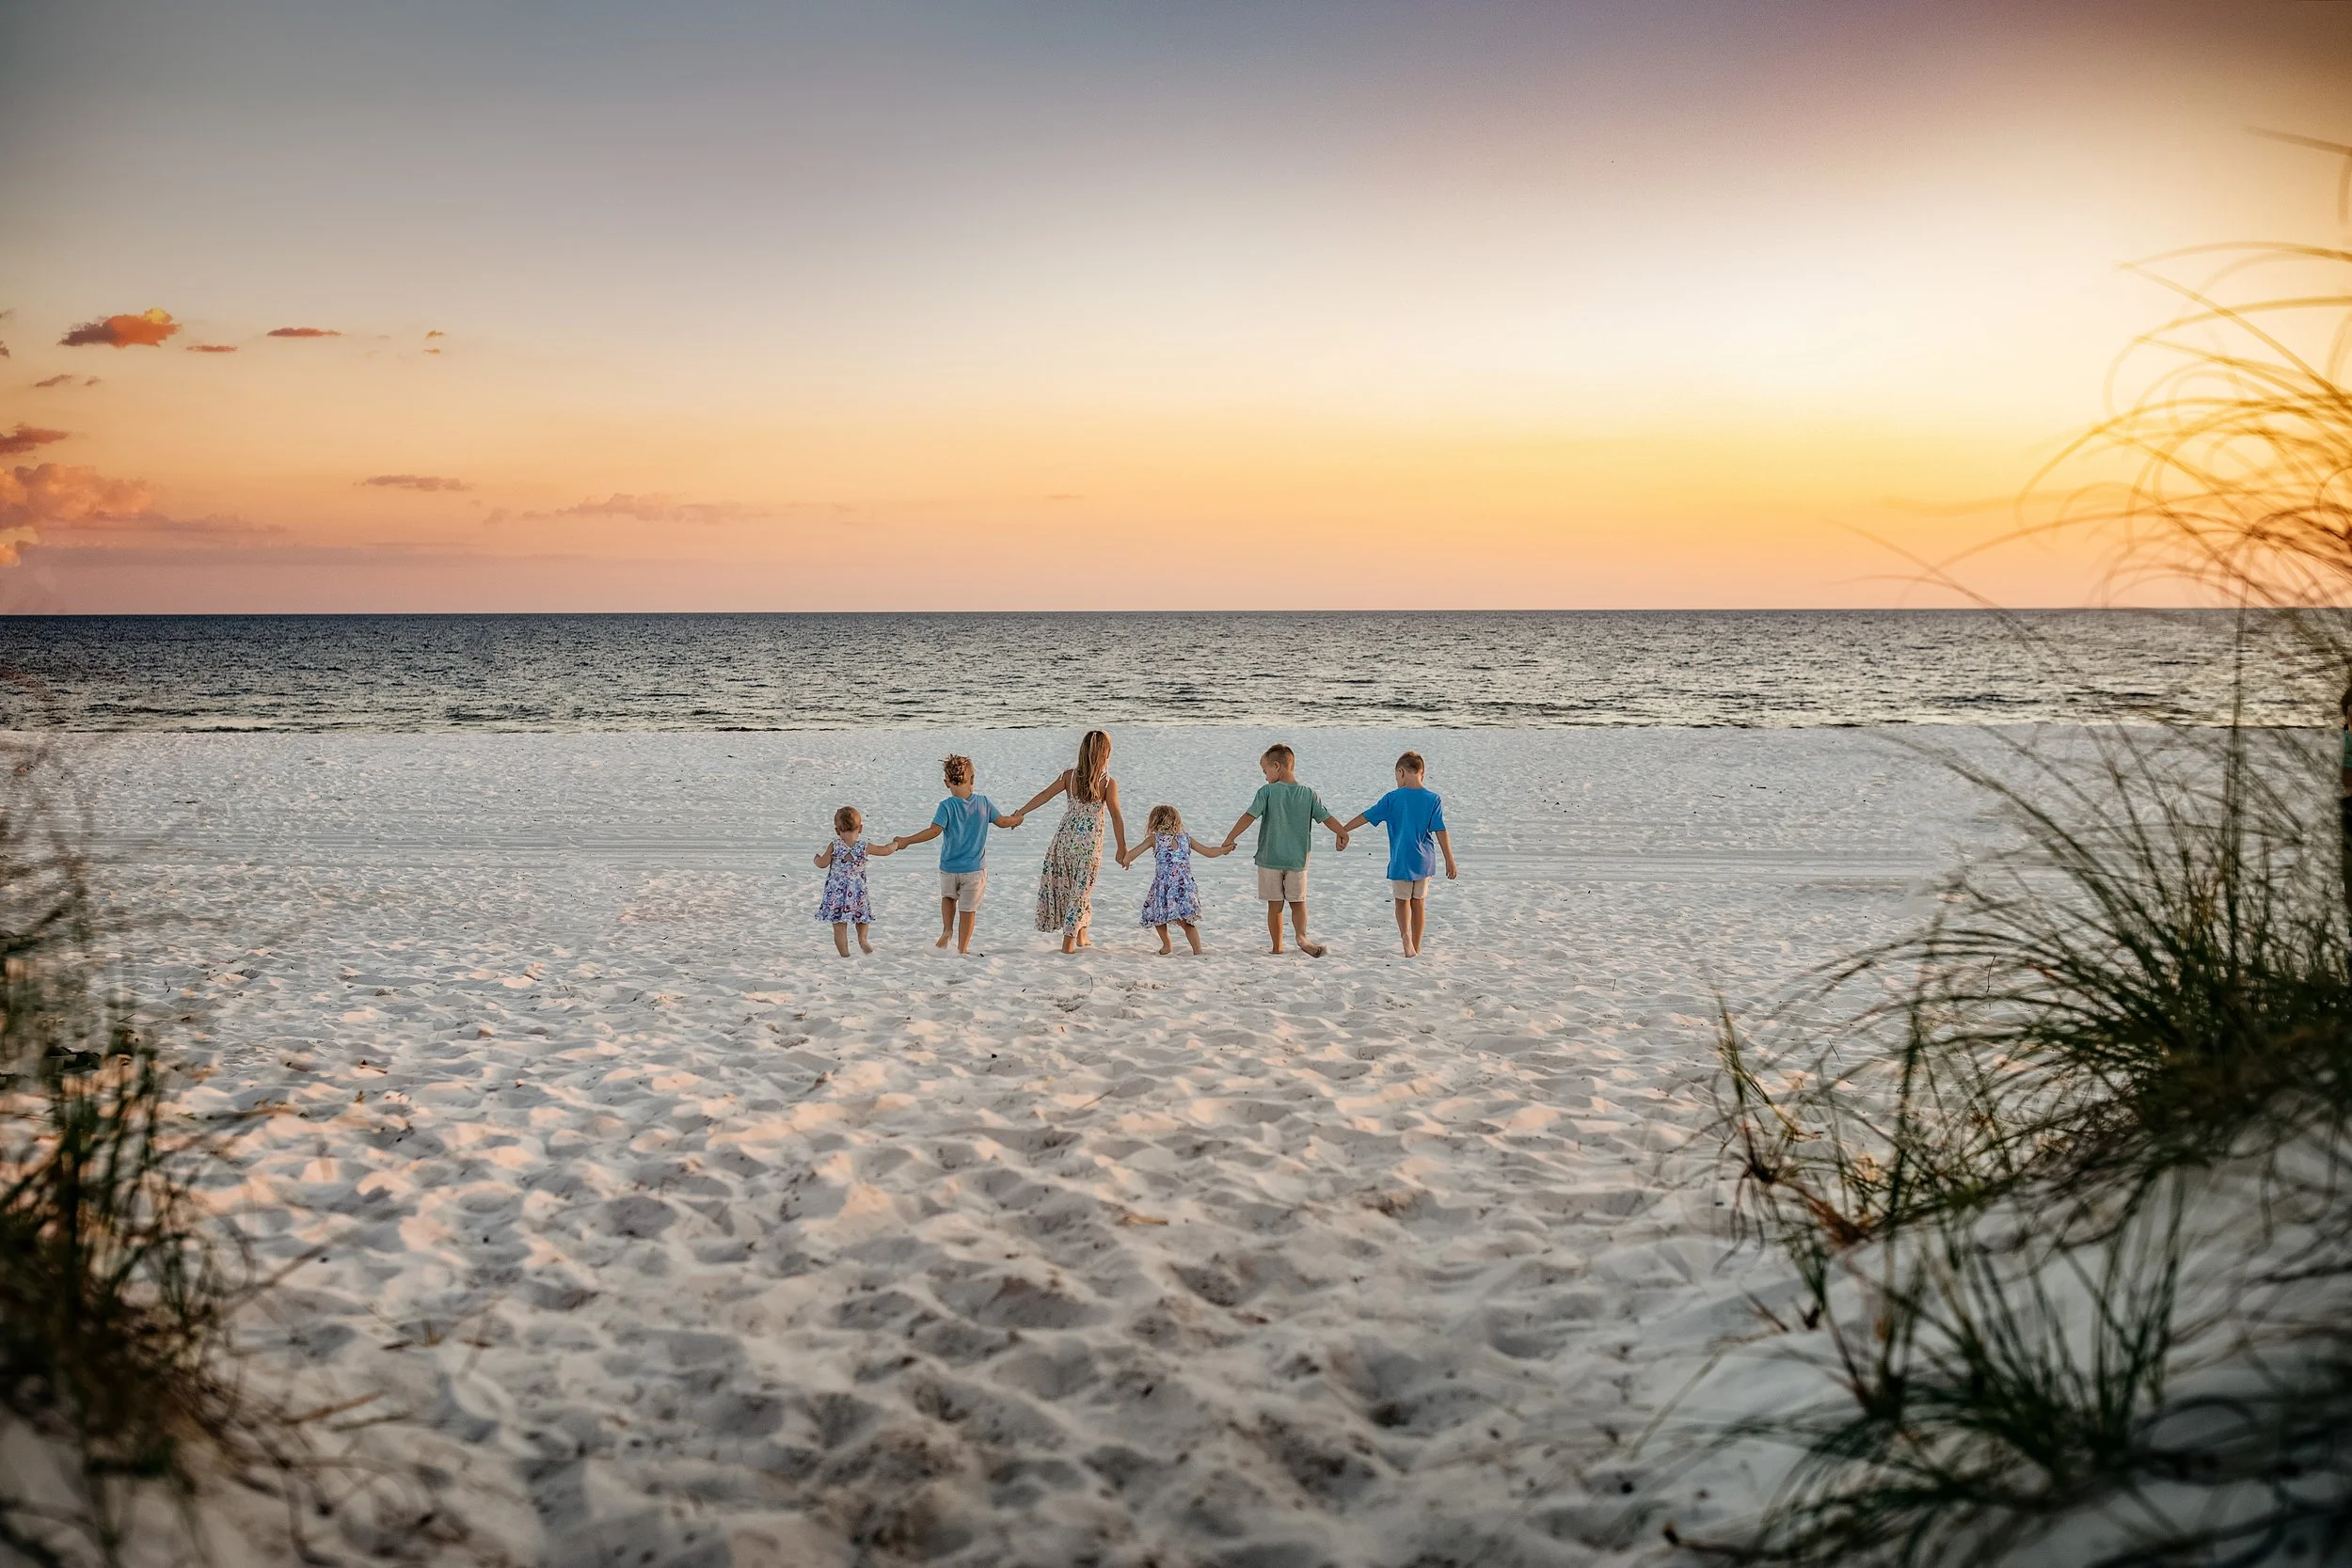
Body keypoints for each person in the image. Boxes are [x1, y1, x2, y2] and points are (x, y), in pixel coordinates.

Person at [885, 754, 1025, 954]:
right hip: (974, 870)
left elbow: (933, 831)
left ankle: (947, 930)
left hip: (949, 867)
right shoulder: (984, 803)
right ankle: (963, 948)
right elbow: (1002, 821)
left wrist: (907, 840)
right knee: (968, 910)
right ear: (973, 779)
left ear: (946, 783)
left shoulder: (946, 806)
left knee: (948, 898)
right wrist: (1017, 819)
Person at [1221, 742, 1345, 957]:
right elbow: (1326, 818)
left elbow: (1249, 816)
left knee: (1275, 905)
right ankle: (1301, 937)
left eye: (1265, 771)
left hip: (1270, 858)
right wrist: (1343, 833)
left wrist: (1230, 838)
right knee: (1298, 902)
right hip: (1297, 860)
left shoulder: (1267, 792)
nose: (1265, 776)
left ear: (1277, 766)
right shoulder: (1309, 794)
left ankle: (1277, 947)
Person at [1013, 729, 1130, 954]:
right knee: (1081, 891)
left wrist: (1022, 812)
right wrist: (1122, 847)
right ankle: (1068, 943)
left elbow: (1044, 795)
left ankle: (1082, 935)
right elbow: (1116, 816)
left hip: (1064, 841)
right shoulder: (1107, 783)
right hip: (1088, 846)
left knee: (1073, 889)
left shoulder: (1069, 776)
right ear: (1106, 755)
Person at [1334, 750, 1457, 957]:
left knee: (1402, 901)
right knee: (1419, 902)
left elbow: (1366, 816)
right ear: (1422, 774)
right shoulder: (1433, 799)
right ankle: (1416, 947)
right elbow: (1440, 831)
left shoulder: (1392, 798)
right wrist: (1450, 860)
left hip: (1401, 859)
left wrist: (1343, 830)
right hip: (1424, 861)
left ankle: (1405, 938)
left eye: (1396, 777)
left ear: (1401, 772)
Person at [1118, 803, 1235, 954]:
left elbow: (1133, 853)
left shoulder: (1154, 839)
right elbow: (1208, 852)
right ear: (1176, 821)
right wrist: (1224, 850)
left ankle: (1167, 945)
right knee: (1187, 922)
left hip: (1164, 885)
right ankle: (1197, 950)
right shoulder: (1186, 838)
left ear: (1154, 822)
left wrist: (1126, 860)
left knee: (1157, 916)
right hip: (1184, 887)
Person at [814, 805, 898, 956]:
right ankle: (862, 939)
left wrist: (816, 859)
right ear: (860, 828)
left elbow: (822, 864)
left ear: (837, 830)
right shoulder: (864, 846)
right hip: (857, 891)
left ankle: (845, 955)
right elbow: (885, 850)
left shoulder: (834, 845)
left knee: (839, 926)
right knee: (862, 918)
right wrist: (896, 844)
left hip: (836, 894)